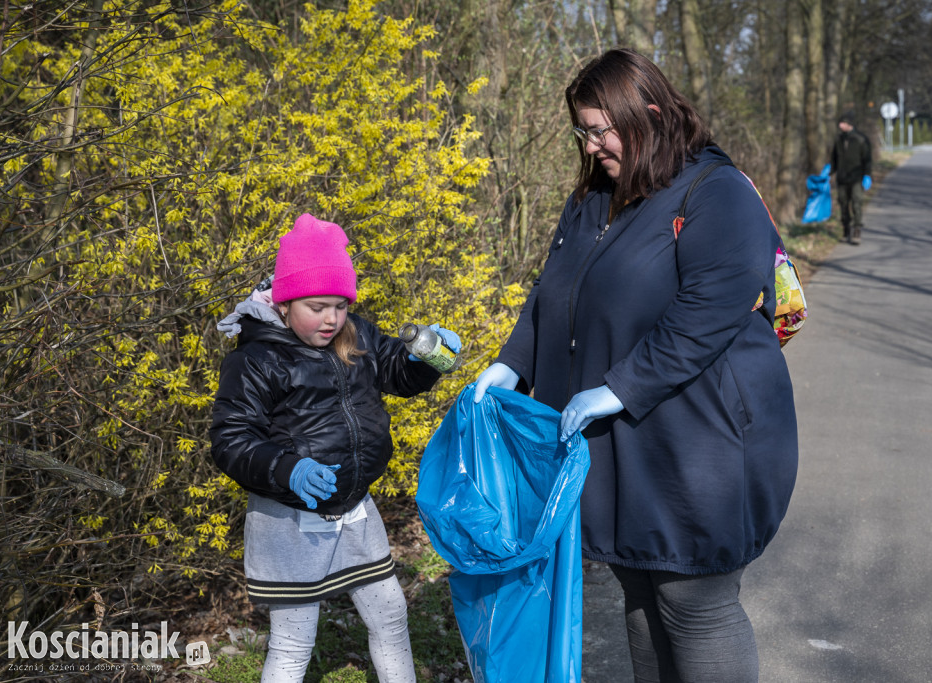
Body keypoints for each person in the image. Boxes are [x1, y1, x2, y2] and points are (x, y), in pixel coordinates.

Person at [473, 49, 798, 683]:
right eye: (582, 131)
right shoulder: (595, 197)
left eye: (600, 129)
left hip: (702, 441)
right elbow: (552, 291)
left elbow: (708, 311)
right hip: (621, 443)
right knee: (642, 595)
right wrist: (513, 364)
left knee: (692, 598)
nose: (591, 146)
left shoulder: (716, 192)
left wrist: (618, 388)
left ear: (647, 113)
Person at [210, 213, 460, 683]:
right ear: (284, 304)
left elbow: (397, 376)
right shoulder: (256, 358)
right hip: (291, 521)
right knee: (292, 644)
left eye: (340, 305)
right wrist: (287, 469)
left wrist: (428, 361)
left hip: (355, 510)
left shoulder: (356, 334)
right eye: (318, 306)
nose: (331, 318)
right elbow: (230, 439)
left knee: (390, 617)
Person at [830, 112, 872, 244]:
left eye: (842, 123)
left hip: (857, 178)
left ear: (849, 124)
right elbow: (834, 158)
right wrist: (830, 172)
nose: (840, 125)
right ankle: (846, 230)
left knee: (856, 203)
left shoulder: (861, 139)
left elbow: (867, 159)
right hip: (842, 178)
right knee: (843, 204)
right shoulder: (838, 140)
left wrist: (867, 175)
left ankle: (857, 230)